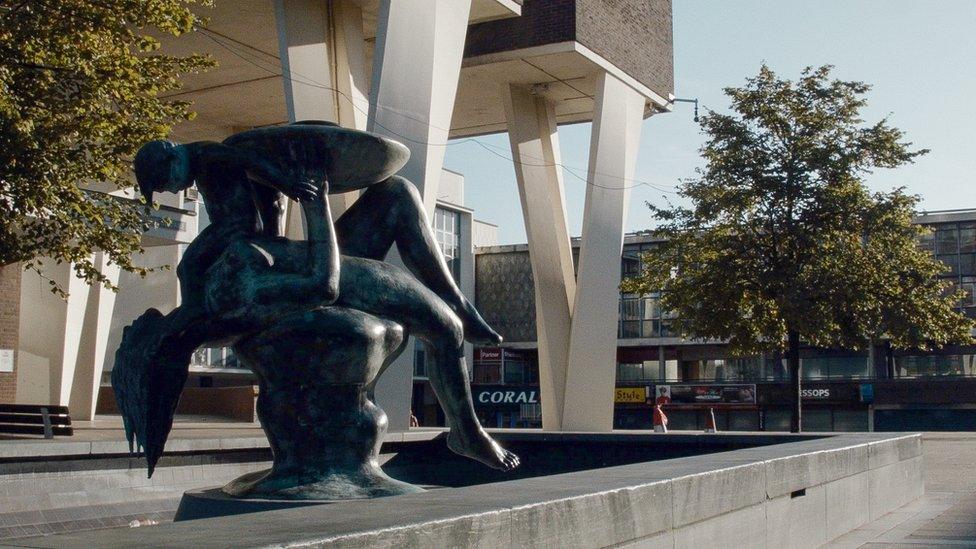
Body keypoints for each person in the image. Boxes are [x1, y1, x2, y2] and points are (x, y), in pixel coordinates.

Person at [117, 127, 516, 473]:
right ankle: (467, 432)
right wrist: (314, 202)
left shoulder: (206, 284)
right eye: (142, 328)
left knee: (397, 191)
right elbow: (322, 284)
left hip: (300, 257)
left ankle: (459, 300)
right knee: (446, 328)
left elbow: (254, 213)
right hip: (319, 267)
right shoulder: (226, 283)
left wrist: (284, 192)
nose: (142, 320)